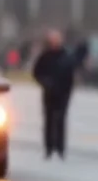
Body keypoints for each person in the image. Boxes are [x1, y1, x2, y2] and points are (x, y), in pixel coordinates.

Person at [32, 28, 74, 159]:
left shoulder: (65, 56)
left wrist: (68, 90)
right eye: (53, 39)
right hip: (49, 93)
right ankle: (48, 148)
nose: (56, 42)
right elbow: (36, 73)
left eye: (58, 39)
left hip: (62, 94)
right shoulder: (45, 56)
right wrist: (45, 83)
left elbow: (70, 75)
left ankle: (60, 148)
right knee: (49, 121)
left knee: (61, 120)